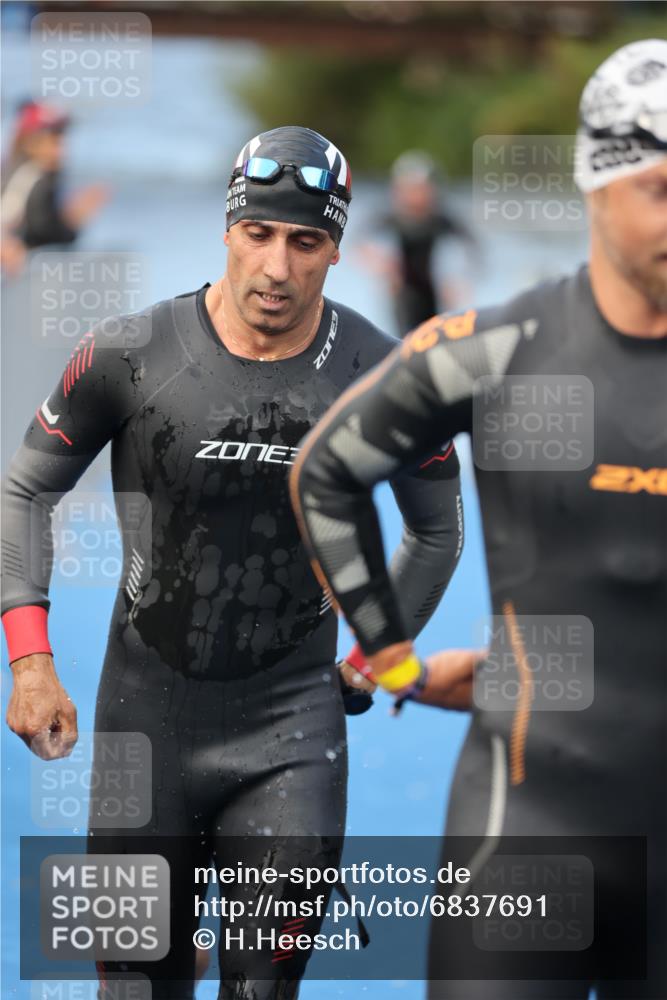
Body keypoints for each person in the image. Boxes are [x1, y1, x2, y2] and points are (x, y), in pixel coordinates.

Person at [1, 126, 462, 999]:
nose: (276, 268)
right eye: (258, 233)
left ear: (335, 249)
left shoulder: (381, 375)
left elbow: (436, 532)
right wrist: (31, 664)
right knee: (137, 986)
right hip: (143, 724)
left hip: (292, 731)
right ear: (227, 229)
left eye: (305, 242)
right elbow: (25, 491)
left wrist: (373, 660)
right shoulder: (129, 354)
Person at [291, 41, 667, 999]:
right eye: (661, 191)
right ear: (595, 184)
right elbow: (327, 473)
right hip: (526, 832)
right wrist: (390, 657)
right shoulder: (500, 351)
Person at [361, 150, 476, 337]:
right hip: (403, 295)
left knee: (432, 339)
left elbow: (472, 248)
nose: (416, 195)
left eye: (422, 188)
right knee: (405, 341)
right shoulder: (394, 218)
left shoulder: (440, 219)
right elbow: (359, 243)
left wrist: (458, 280)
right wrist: (382, 265)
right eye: (409, 189)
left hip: (433, 294)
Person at [0, 100, 108, 275]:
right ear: (31, 142)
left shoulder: (24, 172)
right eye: (54, 141)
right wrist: (74, 219)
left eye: (62, 139)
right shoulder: (33, 179)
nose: (61, 149)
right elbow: (41, 230)